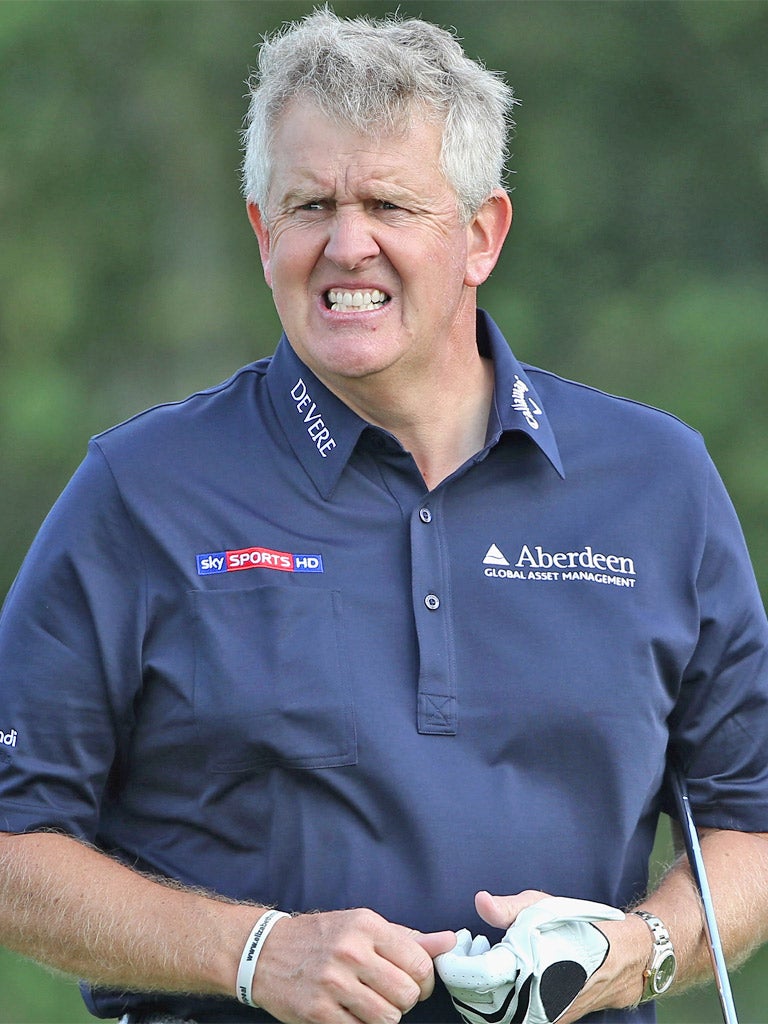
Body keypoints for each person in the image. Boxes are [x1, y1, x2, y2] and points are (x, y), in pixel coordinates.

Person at [1, 8, 767, 1024]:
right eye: (311, 203)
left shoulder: (658, 481)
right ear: (262, 231)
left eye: (389, 205)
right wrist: (252, 952)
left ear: (481, 234)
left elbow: (750, 825)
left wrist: (643, 951)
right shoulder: (140, 491)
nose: (346, 244)